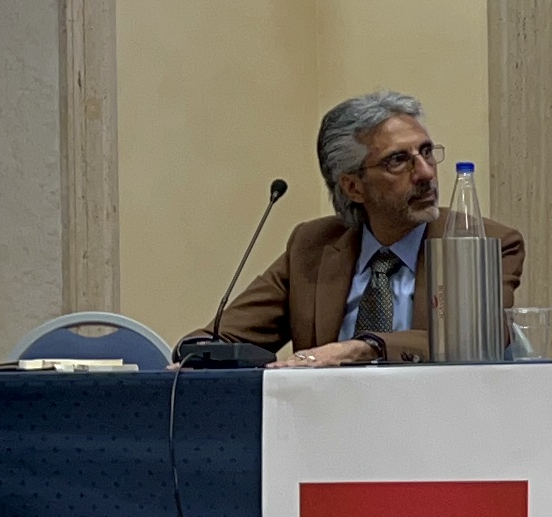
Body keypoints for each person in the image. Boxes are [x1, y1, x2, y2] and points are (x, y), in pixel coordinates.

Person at [189, 91, 527, 364]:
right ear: (353, 187)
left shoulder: (484, 242)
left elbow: (477, 338)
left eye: (426, 152)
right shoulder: (313, 245)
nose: (426, 173)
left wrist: (363, 348)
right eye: (398, 160)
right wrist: (198, 355)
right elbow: (224, 336)